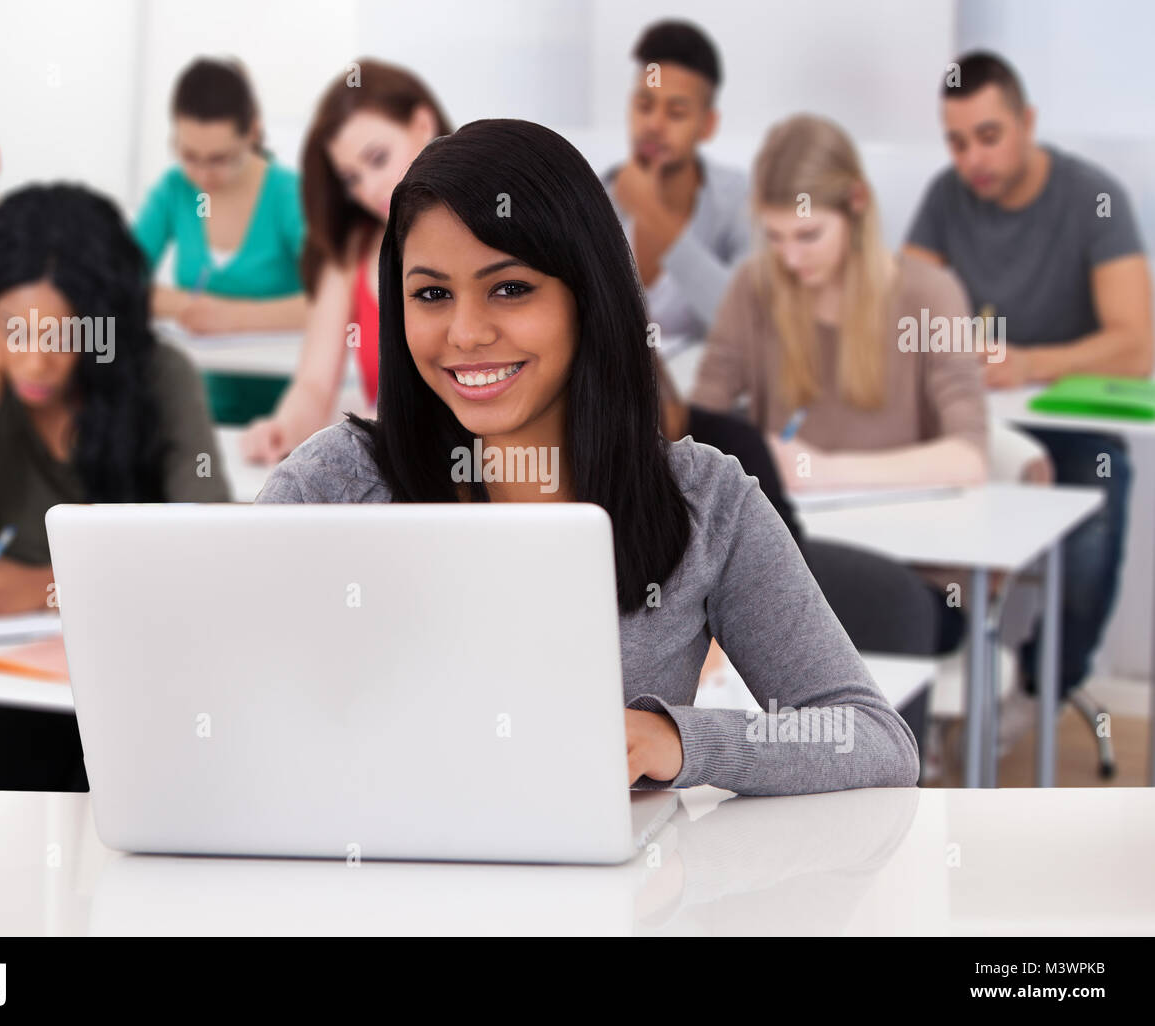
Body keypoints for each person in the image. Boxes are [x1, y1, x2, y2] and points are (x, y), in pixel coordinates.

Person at [255, 119, 919, 796]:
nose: (465, 332)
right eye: (431, 294)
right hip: (369, 884)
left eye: (510, 288)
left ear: (587, 295)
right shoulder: (332, 483)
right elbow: (220, 700)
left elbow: (867, 736)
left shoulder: (706, 502)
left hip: (616, 896)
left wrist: (678, 741)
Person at [0, 184, 229, 790]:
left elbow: (216, 560)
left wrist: (46, 588)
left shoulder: (160, 378)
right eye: (13, 330)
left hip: (136, 681)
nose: (35, 361)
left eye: (60, 335)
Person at [668, 114, 988, 656]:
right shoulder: (755, 287)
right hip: (791, 558)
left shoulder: (930, 294)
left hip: (913, 576)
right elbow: (698, 434)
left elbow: (969, 457)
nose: (791, 257)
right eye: (774, 238)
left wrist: (823, 470)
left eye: (808, 234)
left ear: (857, 204)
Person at [904, 51, 1153, 700]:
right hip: (970, 424)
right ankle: (936, 689)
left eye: (989, 136)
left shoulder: (1094, 198)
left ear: (1028, 122)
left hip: (1070, 434)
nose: (972, 160)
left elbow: (1138, 345)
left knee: (1092, 542)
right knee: (904, 524)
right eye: (956, 142)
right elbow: (899, 314)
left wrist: (1029, 363)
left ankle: (1043, 693)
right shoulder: (944, 196)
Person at [241, 60, 451, 465]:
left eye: (377, 159)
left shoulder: (486, 231)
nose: (368, 189)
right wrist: (283, 428)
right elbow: (315, 386)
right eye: (351, 178)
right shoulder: (350, 250)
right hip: (393, 468)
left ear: (422, 125)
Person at [134, 58, 307, 424]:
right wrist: (184, 306)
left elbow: (330, 302)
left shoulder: (288, 195)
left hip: (288, 412)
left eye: (219, 159)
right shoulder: (173, 191)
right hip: (198, 410)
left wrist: (233, 317)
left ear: (253, 133)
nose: (201, 173)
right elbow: (116, 279)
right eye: (189, 156)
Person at [603, 19, 748, 340]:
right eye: (644, 105)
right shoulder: (593, 199)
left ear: (707, 124)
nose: (654, 124)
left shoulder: (739, 200)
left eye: (676, 112)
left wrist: (651, 215)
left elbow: (748, 324)